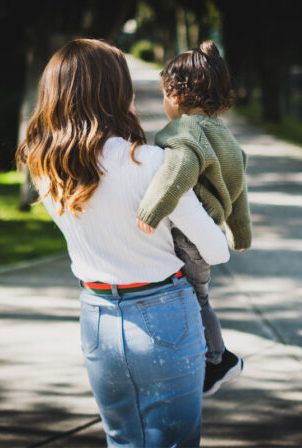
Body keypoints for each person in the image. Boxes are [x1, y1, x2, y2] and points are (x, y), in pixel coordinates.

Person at [16, 38, 230, 447]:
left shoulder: (44, 167)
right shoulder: (151, 163)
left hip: (96, 317)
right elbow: (215, 250)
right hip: (165, 316)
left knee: (122, 441)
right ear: (113, 91)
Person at [135, 40, 252, 396]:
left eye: (164, 95)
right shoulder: (228, 139)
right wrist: (241, 234)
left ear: (178, 95)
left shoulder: (184, 131)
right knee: (200, 296)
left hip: (187, 236)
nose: (164, 103)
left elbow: (181, 169)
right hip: (208, 232)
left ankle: (216, 359)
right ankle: (214, 356)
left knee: (193, 298)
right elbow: (239, 190)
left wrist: (151, 211)